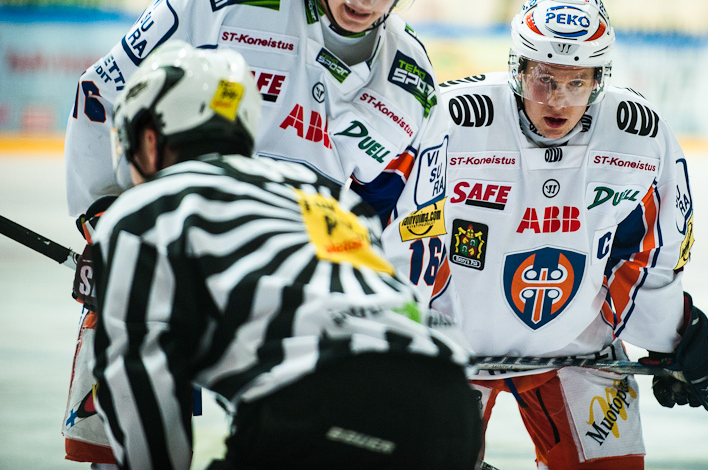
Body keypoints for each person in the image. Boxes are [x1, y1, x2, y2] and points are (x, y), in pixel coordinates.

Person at [62, 0, 451, 462]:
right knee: (114, 445)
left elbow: (403, 221)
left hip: (288, 288)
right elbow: (104, 94)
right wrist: (107, 224)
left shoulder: (413, 82)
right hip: (174, 243)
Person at [89, 40, 481, 470]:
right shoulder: (327, 195)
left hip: (321, 406)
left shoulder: (148, 208)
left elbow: (139, 374)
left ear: (148, 138)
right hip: (451, 406)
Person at [434, 0, 708, 470]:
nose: (558, 101)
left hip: (578, 344)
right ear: (520, 69)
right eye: (544, 80)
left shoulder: (639, 134)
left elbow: (654, 247)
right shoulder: (453, 120)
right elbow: (401, 230)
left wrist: (671, 332)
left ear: (599, 78)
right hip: (450, 347)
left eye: (578, 83)